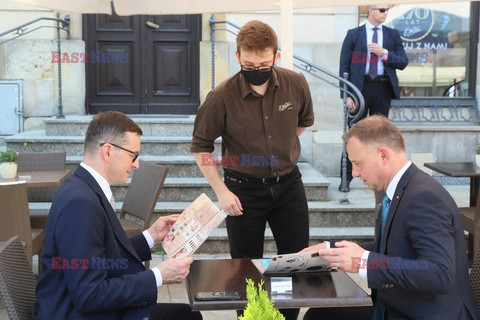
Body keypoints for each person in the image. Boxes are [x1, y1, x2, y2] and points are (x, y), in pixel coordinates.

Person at [190, 20, 314, 320]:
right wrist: (221, 191)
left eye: (263, 62)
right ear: (238, 57)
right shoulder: (220, 97)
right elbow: (200, 148)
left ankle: (285, 317)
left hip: (289, 187)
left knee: (295, 262)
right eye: (248, 62)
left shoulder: (296, 83)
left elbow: (301, 123)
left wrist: (278, 150)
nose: (256, 67)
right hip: (242, 190)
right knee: (245, 267)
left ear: (276, 56)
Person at [302, 115, 478, 320]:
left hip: (424, 314)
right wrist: (331, 249)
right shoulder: (402, 188)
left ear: (383, 155)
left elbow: (439, 273)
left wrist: (365, 262)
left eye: (358, 163)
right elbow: (392, 249)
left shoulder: (424, 197)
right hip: (397, 306)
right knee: (318, 315)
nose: (355, 173)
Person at [31, 111, 202, 320]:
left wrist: (151, 236)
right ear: (108, 151)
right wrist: (159, 275)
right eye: (133, 155)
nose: (136, 164)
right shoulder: (81, 203)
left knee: (187, 314)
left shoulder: (83, 187)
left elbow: (103, 259)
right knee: (187, 317)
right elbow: (89, 295)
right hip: (74, 314)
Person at [338, 4, 408, 192]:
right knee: (353, 135)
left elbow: (403, 62)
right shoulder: (354, 34)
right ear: (370, 11)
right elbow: (344, 66)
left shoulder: (392, 34)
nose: (385, 13)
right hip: (359, 90)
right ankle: (346, 179)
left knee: (380, 136)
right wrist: (347, 95)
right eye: (382, 10)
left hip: (383, 88)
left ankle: (381, 178)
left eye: (387, 10)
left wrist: (383, 53)